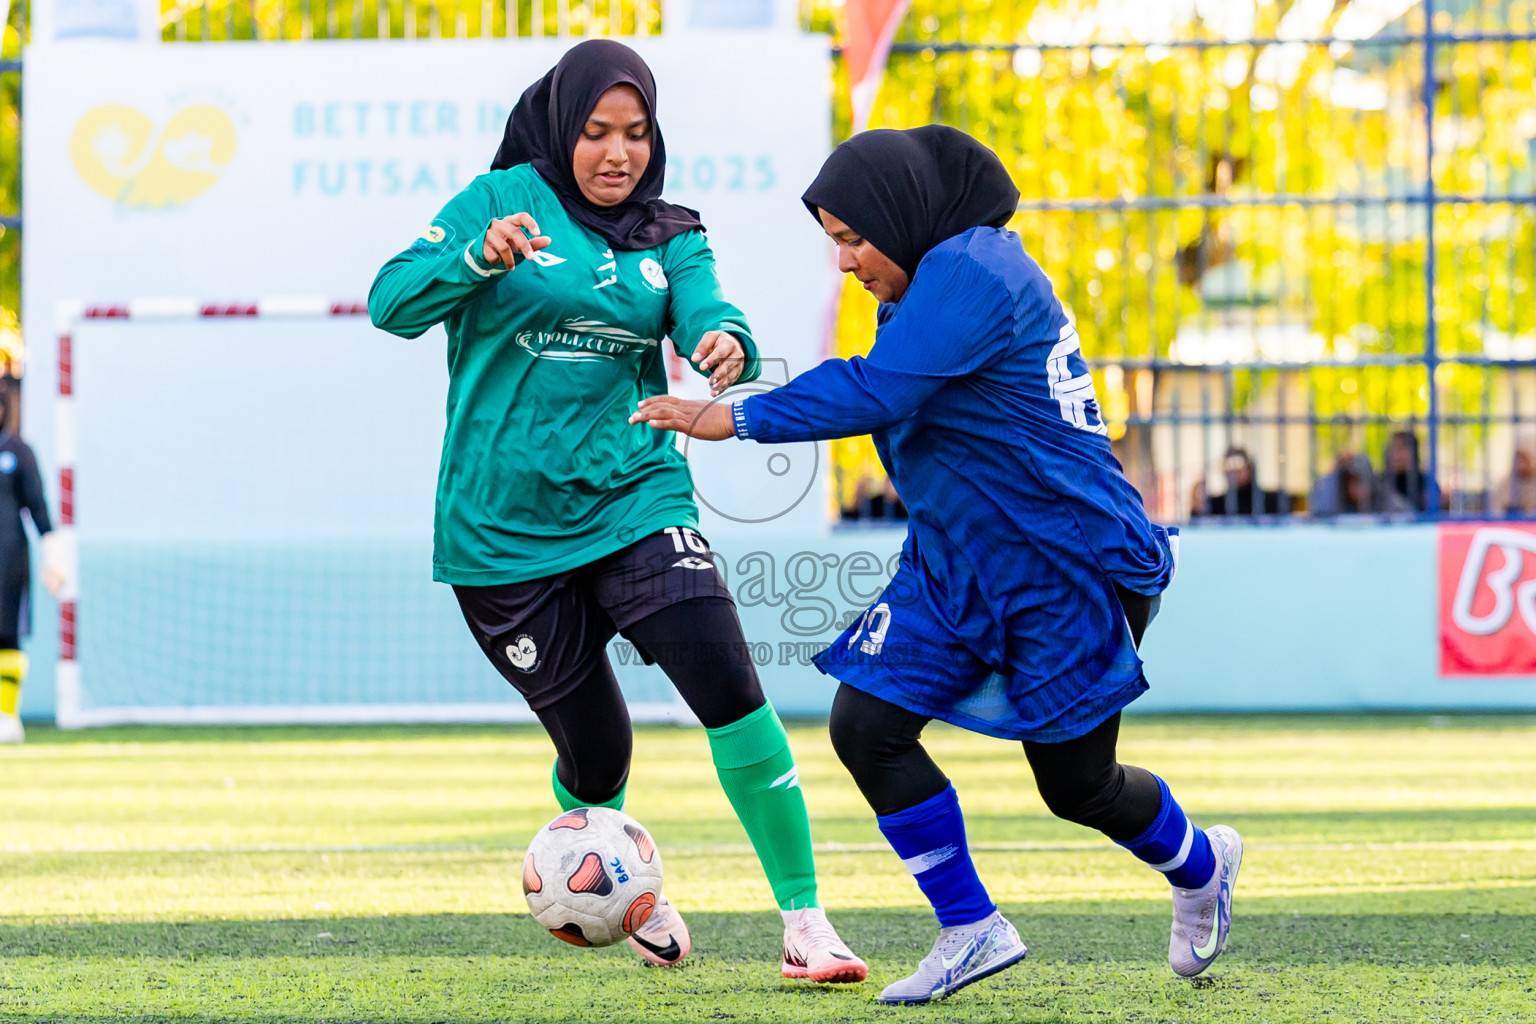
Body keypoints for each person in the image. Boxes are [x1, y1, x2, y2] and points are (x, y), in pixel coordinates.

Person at [632, 127, 1242, 1005]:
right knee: (865, 727)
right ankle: (970, 926)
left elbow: (879, 389)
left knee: (1078, 787)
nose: (845, 262)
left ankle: (1200, 865)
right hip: (956, 564)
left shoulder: (974, 269)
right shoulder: (930, 279)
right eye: (833, 241)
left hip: (1064, 565)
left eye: (853, 238)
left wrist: (734, 417)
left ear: (900, 215)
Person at [368, 40, 865, 982]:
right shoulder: (499, 201)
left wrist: (723, 340)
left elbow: (709, 309)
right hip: (501, 532)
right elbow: (390, 302)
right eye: (597, 131)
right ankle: (624, 889)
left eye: (636, 133)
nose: (618, 153)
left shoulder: (670, 231)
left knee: (728, 687)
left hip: (637, 496)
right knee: (599, 756)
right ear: (564, 129)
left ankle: (807, 923)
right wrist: (477, 257)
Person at [0, 400, 64, 744]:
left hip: (8, 559)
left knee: (7, 635)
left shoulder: (18, 452)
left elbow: (39, 509)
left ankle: (6, 715)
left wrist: (53, 558)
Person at [1191, 447, 1282, 518]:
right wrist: (1197, 509)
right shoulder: (1215, 504)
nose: (1235, 472)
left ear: (1250, 469)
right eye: (1230, 468)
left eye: (1240, 466)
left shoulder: (1273, 500)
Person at [1378, 430, 1427, 513]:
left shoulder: (1426, 483)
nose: (1396, 454)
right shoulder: (1379, 483)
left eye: (1401, 448)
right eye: (1392, 448)